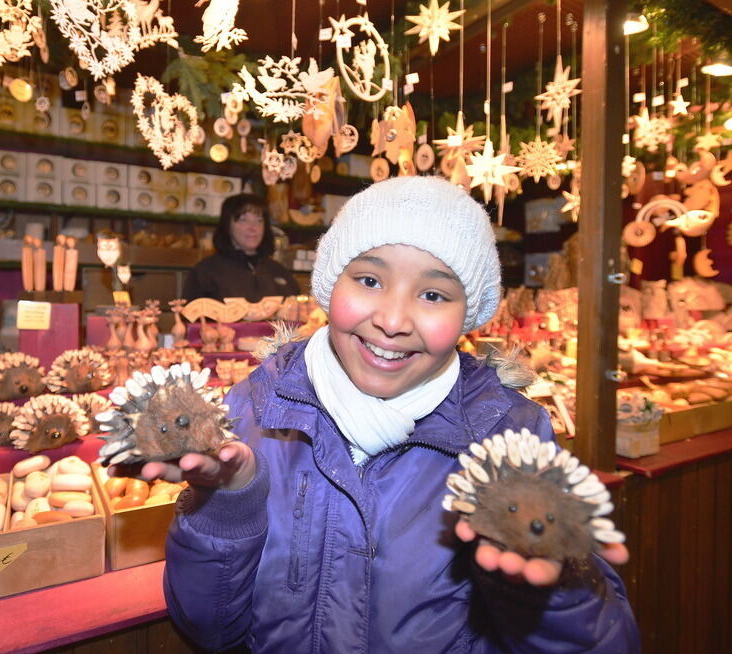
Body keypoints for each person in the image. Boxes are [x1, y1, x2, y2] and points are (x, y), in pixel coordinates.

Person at [121, 176, 638, 653]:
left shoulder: (508, 435)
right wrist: (227, 503)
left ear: (469, 312)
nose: (391, 321)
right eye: (368, 280)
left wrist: (549, 585)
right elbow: (207, 628)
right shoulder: (254, 410)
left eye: (433, 294)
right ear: (330, 285)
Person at [183, 193, 300, 302]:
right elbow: (191, 319)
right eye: (243, 220)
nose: (253, 228)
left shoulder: (279, 271)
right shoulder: (205, 272)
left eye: (259, 220)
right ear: (227, 225)